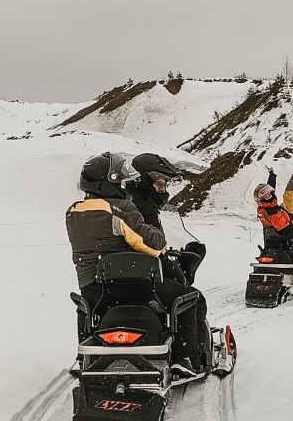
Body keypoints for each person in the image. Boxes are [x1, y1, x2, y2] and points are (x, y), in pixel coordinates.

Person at [67, 152, 207, 374]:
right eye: (120, 179)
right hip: (131, 284)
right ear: (109, 182)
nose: (125, 183)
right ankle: (186, 358)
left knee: (86, 308)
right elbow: (153, 244)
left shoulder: (73, 212)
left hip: (93, 288)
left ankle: (85, 356)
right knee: (190, 299)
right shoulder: (118, 209)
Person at [126, 153, 206, 285]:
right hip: (144, 277)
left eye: (164, 185)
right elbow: (151, 248)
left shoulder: (129, 203)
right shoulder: (143, 210)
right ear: (143, 181)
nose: (163, 190)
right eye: (159, 184)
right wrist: (180, 275)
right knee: (194, 299)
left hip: (131, 273)